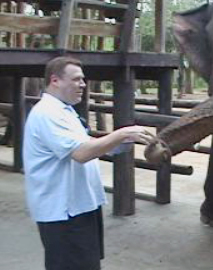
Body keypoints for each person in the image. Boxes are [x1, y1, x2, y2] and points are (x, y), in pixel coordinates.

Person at [23, 56, 154, 270]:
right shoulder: (47, 113)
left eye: (83, 79)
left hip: (80, 206)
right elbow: (81, 153)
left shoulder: (64, 111)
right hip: (62, 212)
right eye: (76, 79)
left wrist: (124, 142)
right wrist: (122, 133)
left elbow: (88, 144)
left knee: (87, 264)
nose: (83, 84)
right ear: (55, 80)